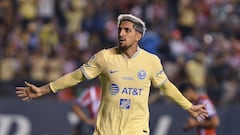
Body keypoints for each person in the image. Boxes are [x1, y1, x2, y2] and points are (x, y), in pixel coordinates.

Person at [16, 14, 208, 135]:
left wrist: (189, 106)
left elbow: (166, 87)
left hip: (136, 130)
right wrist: (43, 90)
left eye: (127, 30)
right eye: (119, 30)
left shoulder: (151, 61)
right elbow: (76, 76)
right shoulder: (104, 57)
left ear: (138, 36)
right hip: (106, 130)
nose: (121, 34)